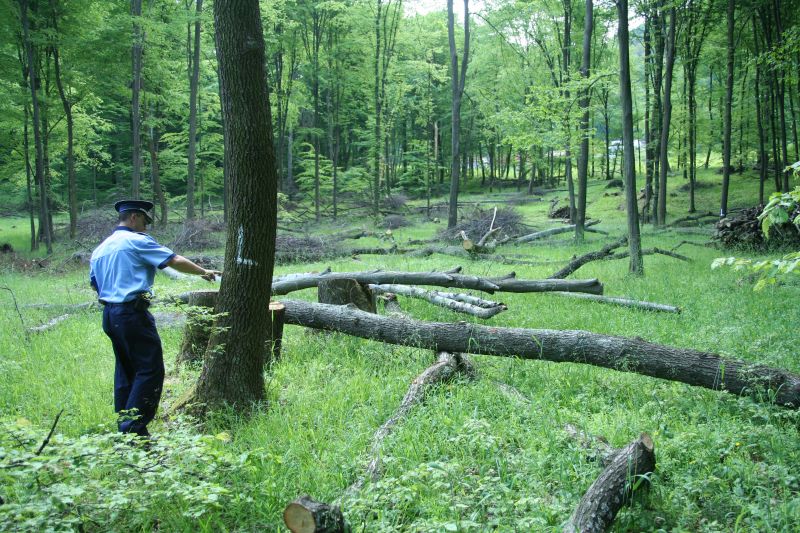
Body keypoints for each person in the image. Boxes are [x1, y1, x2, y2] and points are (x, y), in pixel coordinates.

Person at [89, 200, 221, 436]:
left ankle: (125, 426)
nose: (146, 227)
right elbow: (174, 260)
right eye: (145, 221)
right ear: (133, 218)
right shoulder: (137, 241)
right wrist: (204, 272)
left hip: (110, 315)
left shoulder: (101, 249)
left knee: (126, 371)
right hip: (132, 314)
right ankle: (134, 432)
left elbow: (94, 284)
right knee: (150, 371)